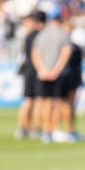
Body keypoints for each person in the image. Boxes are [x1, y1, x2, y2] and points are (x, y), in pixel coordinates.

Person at [31, 8, 73, 144]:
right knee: (61, 102)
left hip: (43, 73)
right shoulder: (63, 34)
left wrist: (42, 70)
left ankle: (46, 131)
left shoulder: (41, 35)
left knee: (45, 102)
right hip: (58, 74)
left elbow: (35, 54)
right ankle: (60, 130)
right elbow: (66, 53)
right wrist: (56, 70)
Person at [14, 10, 46, 140]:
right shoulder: (39, 36)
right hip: (37, 71)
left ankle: (23, 128)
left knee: (28, 100)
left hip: (28, 71)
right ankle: (36, 128)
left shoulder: (28, 36)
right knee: (38, 100)